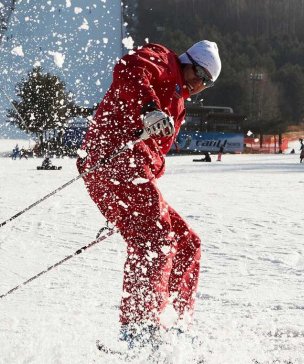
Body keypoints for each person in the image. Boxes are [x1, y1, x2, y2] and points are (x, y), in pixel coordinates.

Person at [78, 39, 221, 348]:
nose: (199, 84)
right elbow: (130, 70)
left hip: (133, 168)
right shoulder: (163, 60)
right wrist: (148, 108)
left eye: (207, 83)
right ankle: (140, 331)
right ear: (187, 61)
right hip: (113, 157)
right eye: (198, 74)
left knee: (187, 242)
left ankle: (178, 326)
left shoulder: (179, 100)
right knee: (155, 235)